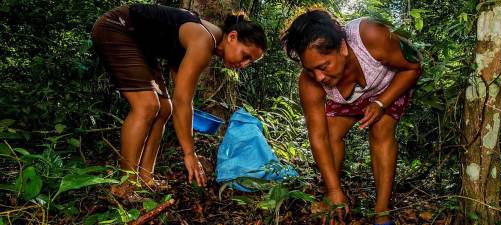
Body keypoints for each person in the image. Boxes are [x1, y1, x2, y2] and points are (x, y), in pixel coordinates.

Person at [91, 3, 266, 199]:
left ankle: (146, 178)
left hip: (141, 44)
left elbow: (179, 96)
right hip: (117, 27)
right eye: (245, 56)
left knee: (164, 108)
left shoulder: (206, 39)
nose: (243, 65)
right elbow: (183, 100)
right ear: (232, 37)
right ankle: (126, 185)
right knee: (147, 105)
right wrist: (189, 154)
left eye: (249, 62)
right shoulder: (204, 40)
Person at [281, 9, 421, 225]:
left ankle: (382, 212)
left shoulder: (372, 36)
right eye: (310, 70)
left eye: (323, 67)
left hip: (389, 86)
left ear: (343, 48)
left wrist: (381, 103)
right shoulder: (310, 83)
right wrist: (334, 189)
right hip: (349, 98)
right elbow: (319, 138)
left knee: (381, 129)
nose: (319, 77)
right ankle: (332, 196)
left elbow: (413, 66)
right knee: (330, 132)